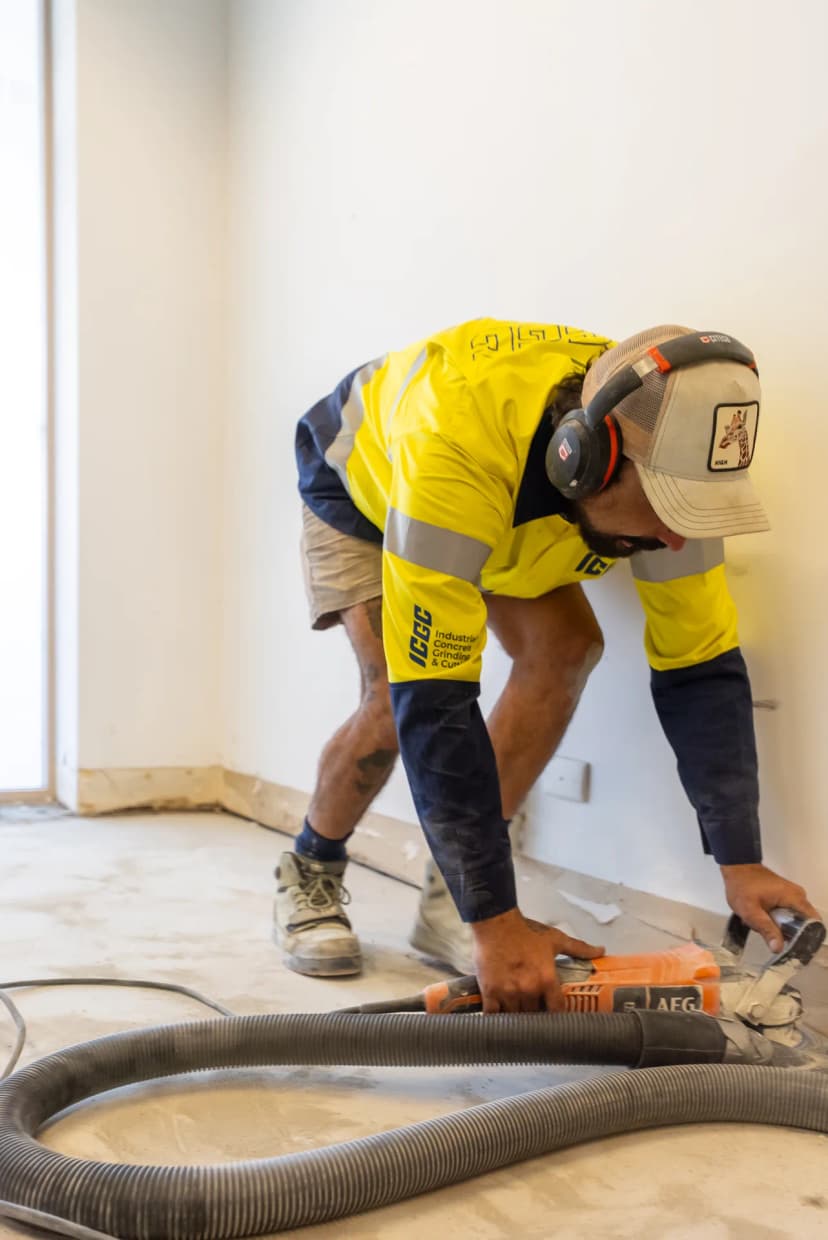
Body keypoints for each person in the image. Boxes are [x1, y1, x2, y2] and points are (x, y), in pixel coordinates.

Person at [275, 319, 818, 1013]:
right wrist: (497, 923)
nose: (676, 536)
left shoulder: (665, 453)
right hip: (364, 477)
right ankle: (310, 868)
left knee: (565, 650)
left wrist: (740, 861)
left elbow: (702, 669)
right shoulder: (454, 449)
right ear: (582, 458)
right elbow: (434, 701)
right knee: (391, 697)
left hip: (509, 491)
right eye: (663, 509)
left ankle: (452, 899)